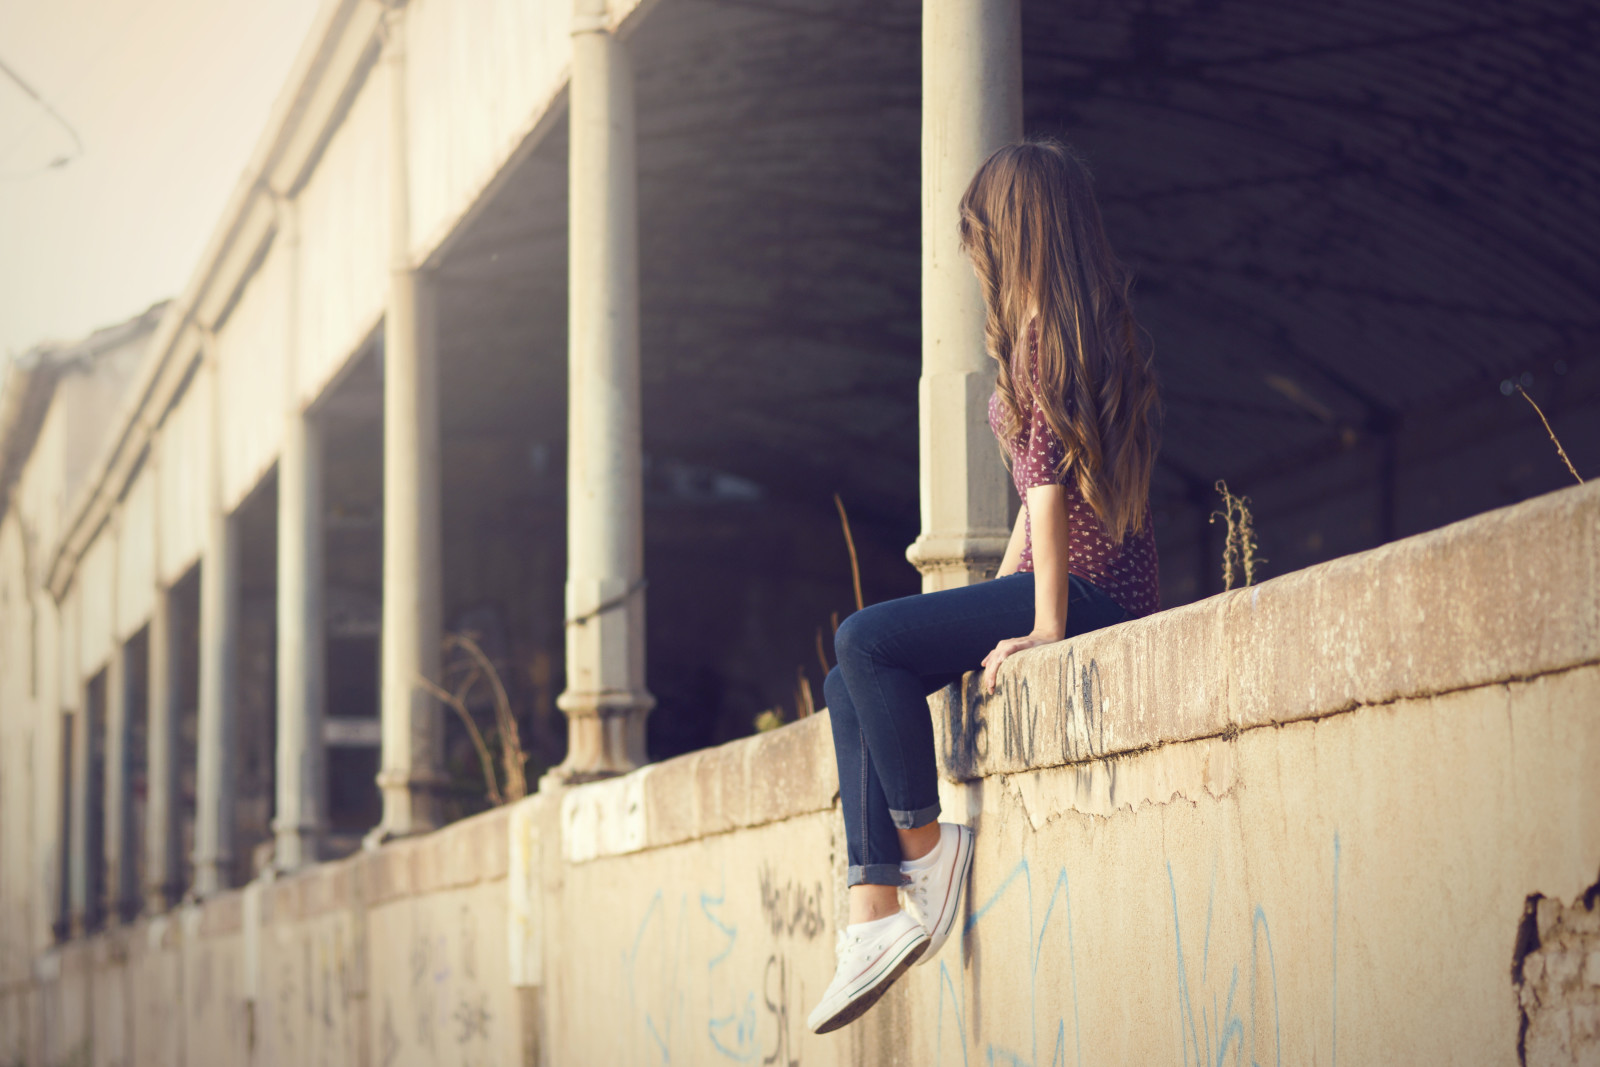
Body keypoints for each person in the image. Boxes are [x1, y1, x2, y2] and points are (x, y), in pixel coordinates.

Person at [805, 138, 1162, 1035]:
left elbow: (1045, 489)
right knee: (848, 682)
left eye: (981, 241)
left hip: (1084, 590)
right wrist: (996, 595)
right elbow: (1039, 493)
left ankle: (928, 850)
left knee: (862, 639)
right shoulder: (1081, 326)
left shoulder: (1046, 335)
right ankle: (872, 912)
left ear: (1014, 234)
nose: (977, 263)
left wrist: (1042, 621)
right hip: (1072, 579)